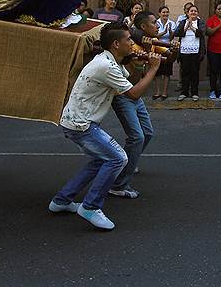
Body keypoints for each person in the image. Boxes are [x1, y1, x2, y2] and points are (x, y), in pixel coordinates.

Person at [49, 22, 160, 231]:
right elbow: (133, 94)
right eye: (129, 39)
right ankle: (90, 206)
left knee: (100, 160)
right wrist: (153, 69)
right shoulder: (105, 66)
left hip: (76, 121)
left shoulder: (110, 61)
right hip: (81, 125)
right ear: (116, 44)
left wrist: (135, 60)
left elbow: (129, 80)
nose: (132, 43)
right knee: (118, 158)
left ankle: (62, 200)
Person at [110, 10, 159, 199]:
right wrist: (149, 65)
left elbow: (136, 79)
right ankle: (118, 183)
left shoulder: (146, 43)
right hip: (124, 95)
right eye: (154, 23)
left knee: (147, 133)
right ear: (143, 27)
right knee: (137, 137)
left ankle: (128, 161)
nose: (158, 26)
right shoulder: (131, 46)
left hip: (133, 94)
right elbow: (133, 86)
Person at [175, 4, 204, 101]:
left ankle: (194, 93)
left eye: (195, 11)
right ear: (187, 13)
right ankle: (184, 92)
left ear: (197, 13)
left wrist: (192, 27)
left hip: (196, 51)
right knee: (185, 72)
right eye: (191, 11)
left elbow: (201, 33)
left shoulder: (200, 22)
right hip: (184, 51)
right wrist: (187, 25)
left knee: (195, 73)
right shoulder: (183, 22)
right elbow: (177, 33)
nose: (193, 12)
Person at [152, 6, 175, 100]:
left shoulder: (172, 23)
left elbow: (171, 37)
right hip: (157, 49)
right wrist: (164, 32)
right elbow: (154, 35)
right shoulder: (155, 23)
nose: (165, 14)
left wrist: (169, 31)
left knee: (167, 72)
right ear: (159, 13)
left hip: (168, 50)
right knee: (157, 72)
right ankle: (157, 92)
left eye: (167, 12)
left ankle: (164, 93)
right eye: (163, 12)